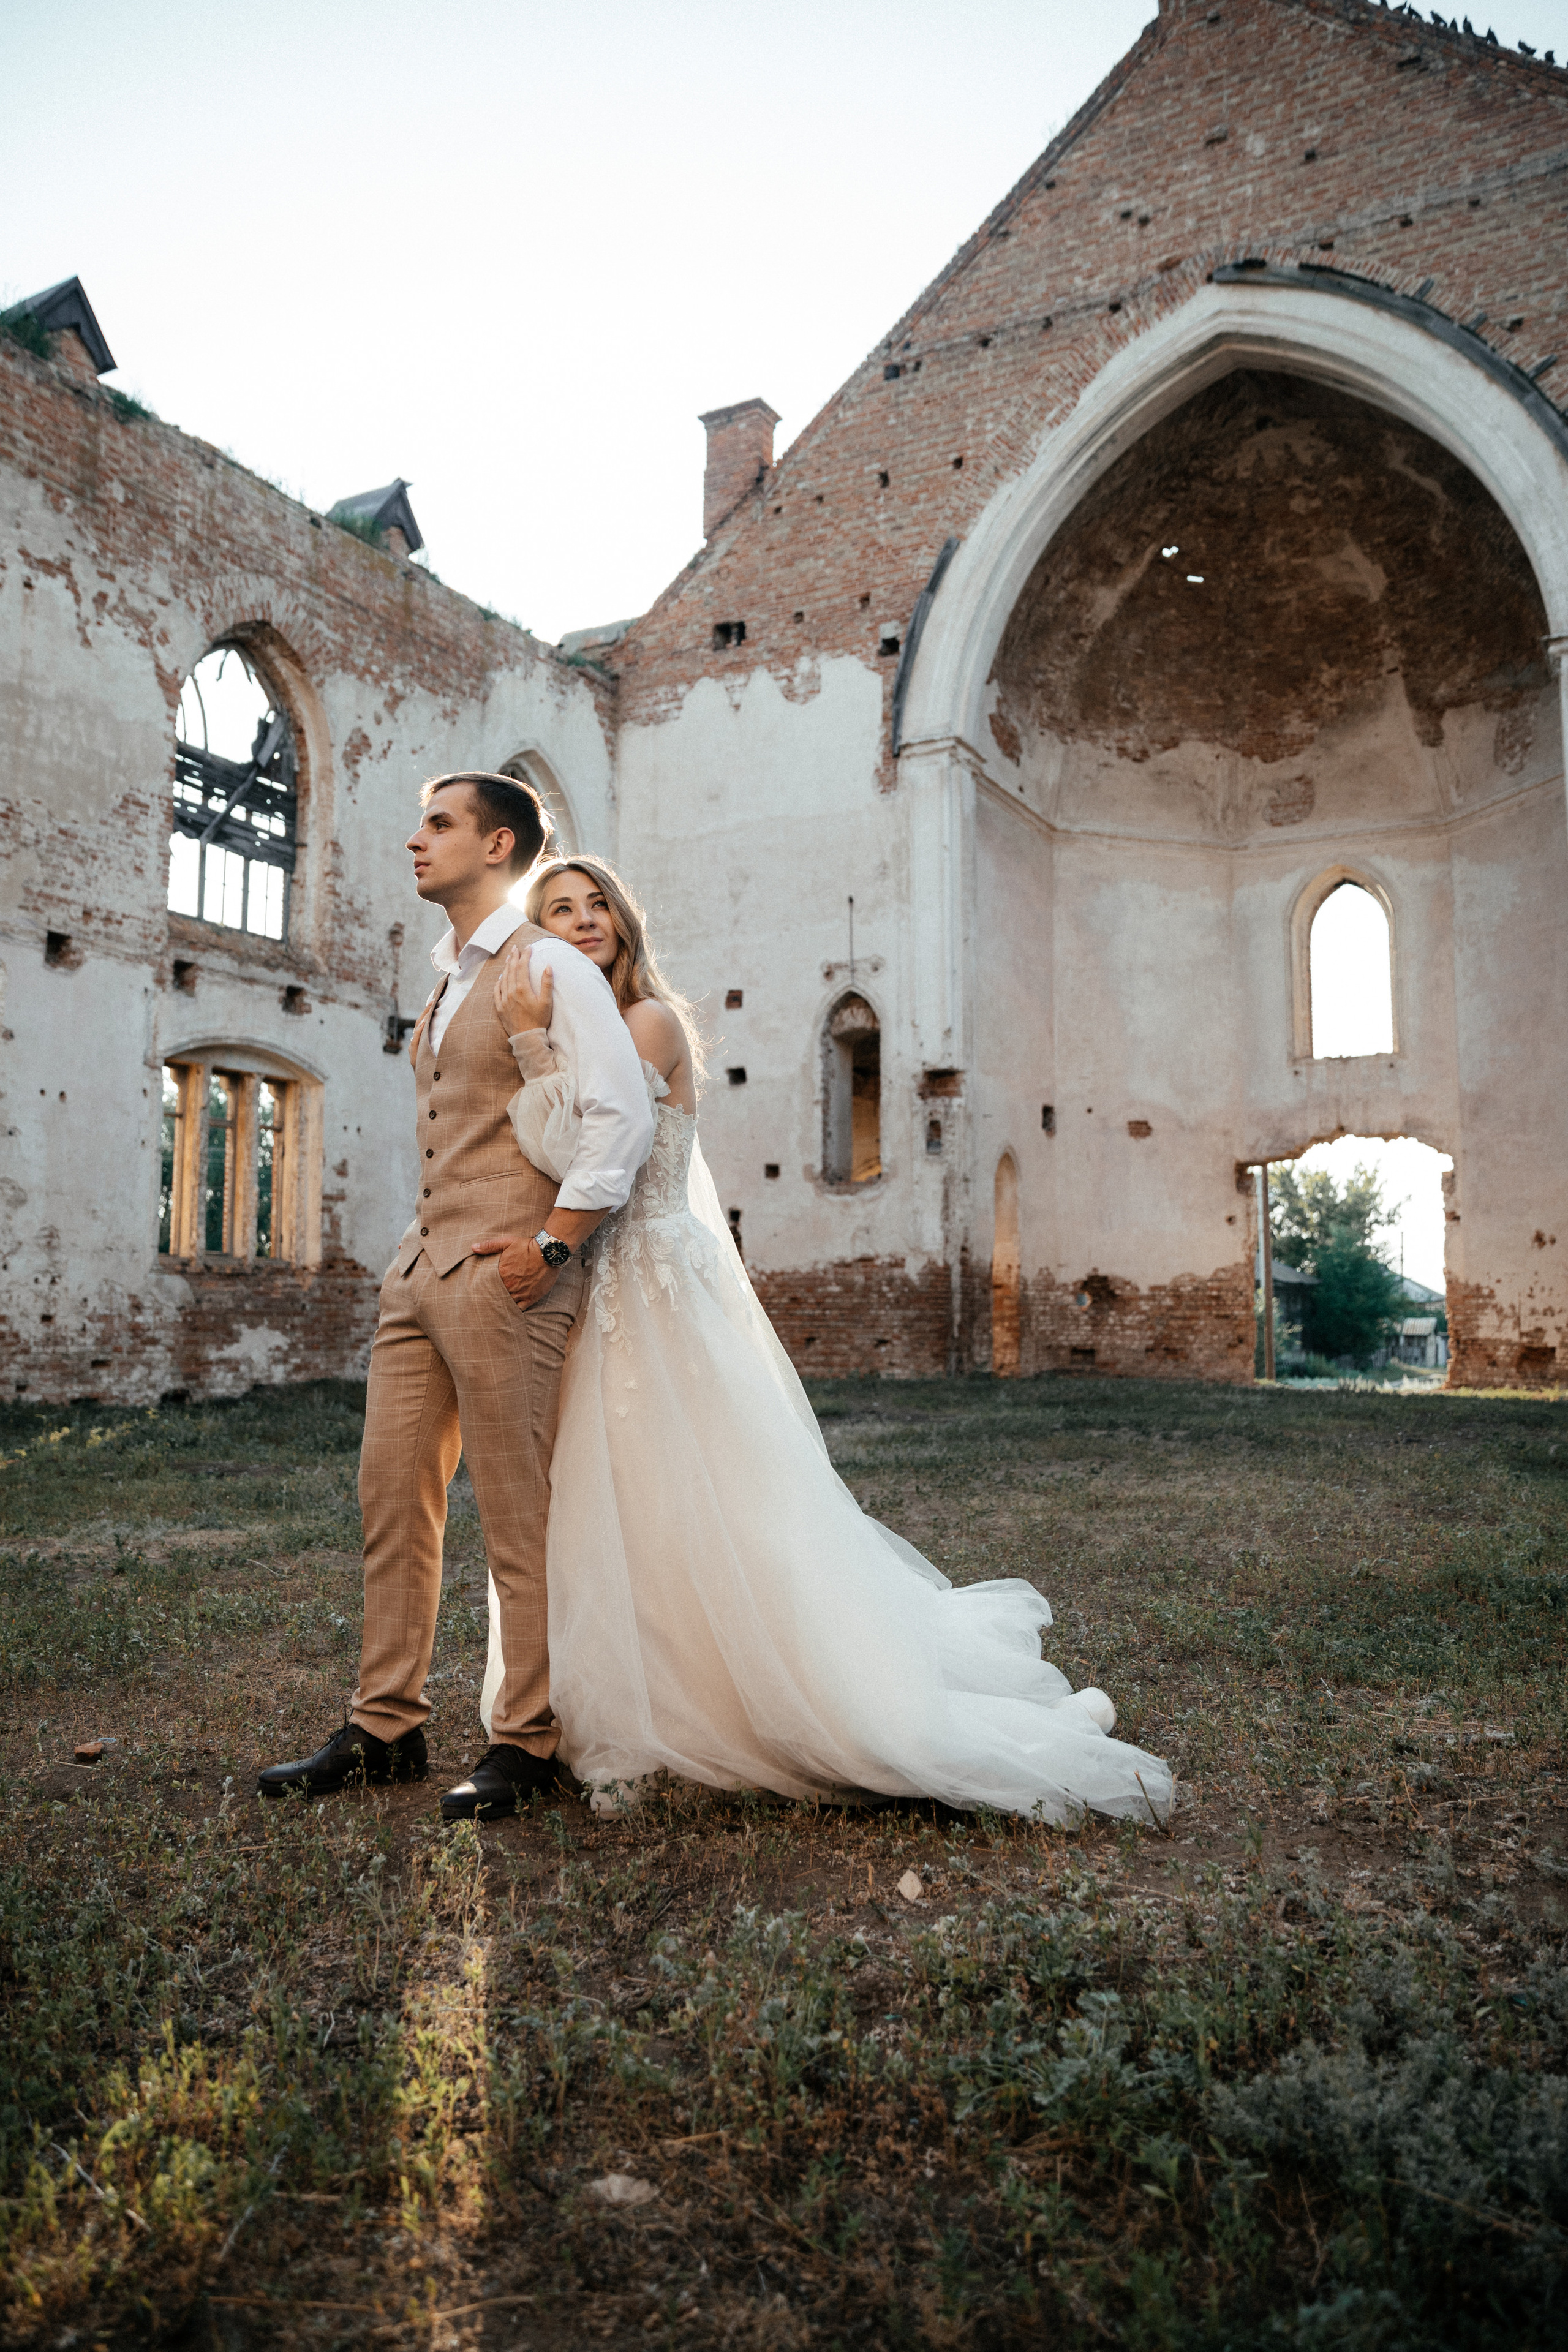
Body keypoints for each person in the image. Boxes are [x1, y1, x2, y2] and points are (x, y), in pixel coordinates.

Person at [483, 855, 1174, 1828]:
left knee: (687, 1492)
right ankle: (617, 1707)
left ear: (626, 925)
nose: (585, 918)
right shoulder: (588, 1032)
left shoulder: (647, 1023)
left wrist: (527, 1046)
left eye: (600, 904)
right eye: (560, 909)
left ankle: (715, 1707)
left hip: (652, 1284)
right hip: (603, 1284)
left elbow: (585, 1151)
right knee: (608, 1499)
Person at [258, 777, 655, 1820]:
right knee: (391, 1497)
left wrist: (554, 1245)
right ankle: (386, 1727)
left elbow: (621, 1114)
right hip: (419, 1274)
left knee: (519, 1515)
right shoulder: (445, 981)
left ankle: (528, 1738)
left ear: (499, 844)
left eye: (439, 824)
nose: (415, 839)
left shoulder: (552, 964)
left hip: (509, 1275)